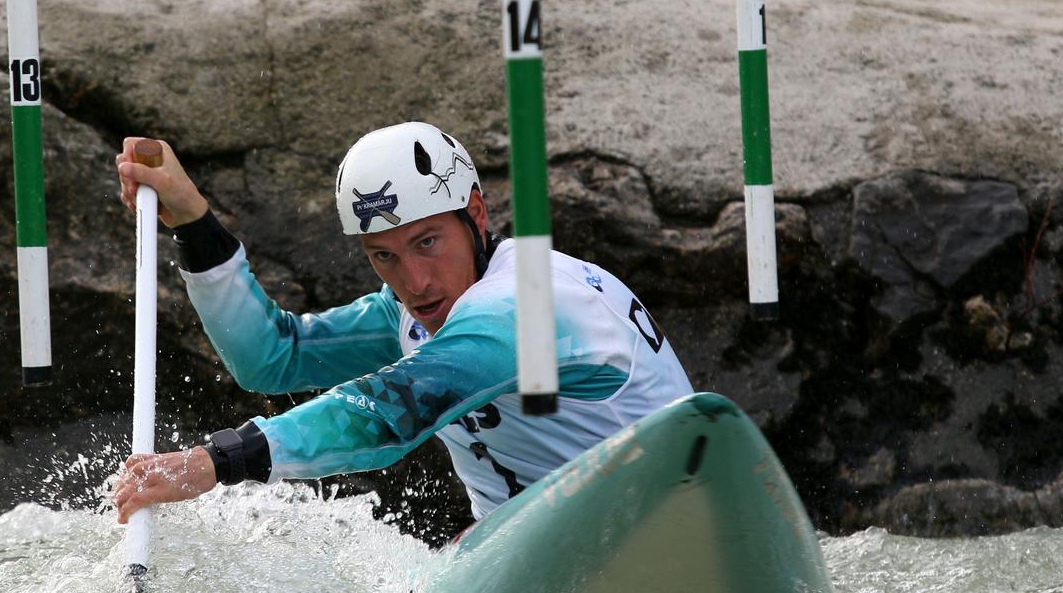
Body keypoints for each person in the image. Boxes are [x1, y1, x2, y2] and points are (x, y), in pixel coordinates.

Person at [112, 122, 692, 528]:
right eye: (383, 256)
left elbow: (395, 409)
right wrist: (193, 222)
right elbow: (273, 356)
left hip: (656, 505)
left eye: (427, 242)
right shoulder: (405, 315)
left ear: (477, 214)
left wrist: (220, 459)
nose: (414, 282)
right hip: (521, 544)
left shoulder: (529, 303)